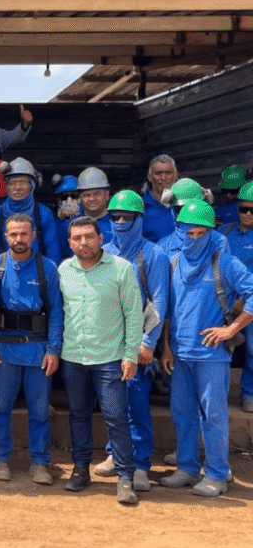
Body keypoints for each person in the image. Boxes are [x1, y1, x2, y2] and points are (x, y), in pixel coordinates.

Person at [159, 201, 253, 497]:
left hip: (212, 355)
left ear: (211, 232)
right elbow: (167, 312)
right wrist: (165, 347)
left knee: (212, 415)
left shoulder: (223, 261)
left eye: (202, 233)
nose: (196, 239)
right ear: (181, 232)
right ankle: (187, 468)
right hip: (180, 352)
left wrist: (231, 329)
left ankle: (215, 473)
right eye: (191, 233)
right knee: (182, 412)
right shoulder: (173, 263)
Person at [58, 216, 143, 505]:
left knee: (116, 417)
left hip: (110, 359)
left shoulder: (120, 269)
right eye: (77, 238)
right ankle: (80, 470)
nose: (83, 242)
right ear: (70, 242)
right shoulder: (63, 271)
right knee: (78, 415)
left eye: (89, 237)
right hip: (74, 357)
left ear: (100, 238)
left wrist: (131, 353)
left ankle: (125, 477)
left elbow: (133, 314)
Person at [90, 190, 168, 492]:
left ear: (139, 218)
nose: (120, 221)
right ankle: (115, 455)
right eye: (115, 217)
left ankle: (140, 464)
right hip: (107, 341)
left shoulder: (153, 254)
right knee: (112, 405)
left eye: (127, 216)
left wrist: (148, 342)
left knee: (136, 405)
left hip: (137, 343)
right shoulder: (104, 251)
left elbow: (159, 300)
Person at [0, 214, 63, 485]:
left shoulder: (46, 268)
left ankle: (39, 461)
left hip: (38, 350)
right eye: (13, 234)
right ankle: (0, 458)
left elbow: (57, 312)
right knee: (1, 406)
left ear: (34, 235)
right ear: (5, 236)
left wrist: (54, 348)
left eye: (24, 234)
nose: (19, 239)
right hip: (4, 350)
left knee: (39, 410)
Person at [0, 157, 59, 261]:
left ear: (31, 185)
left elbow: (52, 250)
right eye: (12, 183)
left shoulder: (44, 213)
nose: (17, 187)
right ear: (6, 186)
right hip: (6, 272)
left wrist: (49, 274)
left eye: (22, 183)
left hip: (38, 271)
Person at [220, 180, 253, 413]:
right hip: (224, 302)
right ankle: (216, 394)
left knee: (252, 348)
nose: (248, 213)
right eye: (244, 208)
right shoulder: (224, 233)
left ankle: (249, 393)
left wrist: (244, 299)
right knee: (219, 348)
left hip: (250, 302)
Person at [142, 154, 179, 242]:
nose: (164, 178)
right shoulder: (140, 207)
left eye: (168, 173)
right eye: (158, 173)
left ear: (176, 175)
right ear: (150, 176)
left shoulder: (185, 204)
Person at [77, 167, 113, 239]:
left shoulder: (120, 222)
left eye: (97, 194)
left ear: (107, 194)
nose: (92, 199)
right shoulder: (71, 224)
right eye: (87, 195)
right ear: (80, 198)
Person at [52, 174, 81, 261]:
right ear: (57, 199)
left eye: (74, 195)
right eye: (64, 196)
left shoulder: (89, 221)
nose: (69, 200)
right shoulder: (52, 223)